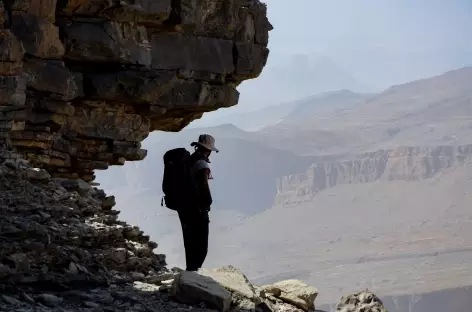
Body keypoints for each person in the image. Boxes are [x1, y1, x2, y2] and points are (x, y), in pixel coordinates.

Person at [178, 134, 218, 271]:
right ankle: (194, 276)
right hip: (197, 210)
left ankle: (190, 272)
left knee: (189, 243)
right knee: (201, 246)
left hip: (184, 208)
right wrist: (208, 203)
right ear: (208, 150)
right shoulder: (202, 164)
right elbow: (203, 187)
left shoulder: (189, 160)